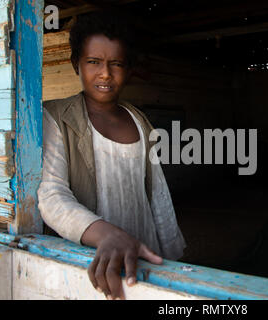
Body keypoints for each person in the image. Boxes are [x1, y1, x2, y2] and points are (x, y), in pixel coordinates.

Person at [37, 11, 186, 300]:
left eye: (116, 64)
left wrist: (172, 258)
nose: (105, 73)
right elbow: (52, 194)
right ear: (75, 65)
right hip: (97, 262)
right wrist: (104, 234)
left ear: (128, 70)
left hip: (146, 256)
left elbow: (158, 195)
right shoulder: (55, 117)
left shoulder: (139, 120)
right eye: (93, 62)